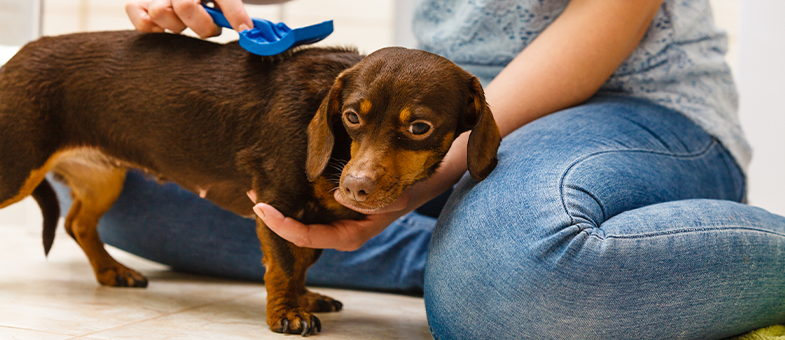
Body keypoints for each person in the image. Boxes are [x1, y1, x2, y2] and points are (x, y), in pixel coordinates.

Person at [59, 0, 780, 338]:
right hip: (419, 114)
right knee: (131, 193)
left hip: (623, 105)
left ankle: (485, 258)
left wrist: (430, 177)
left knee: (508, 301)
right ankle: (452, 254)